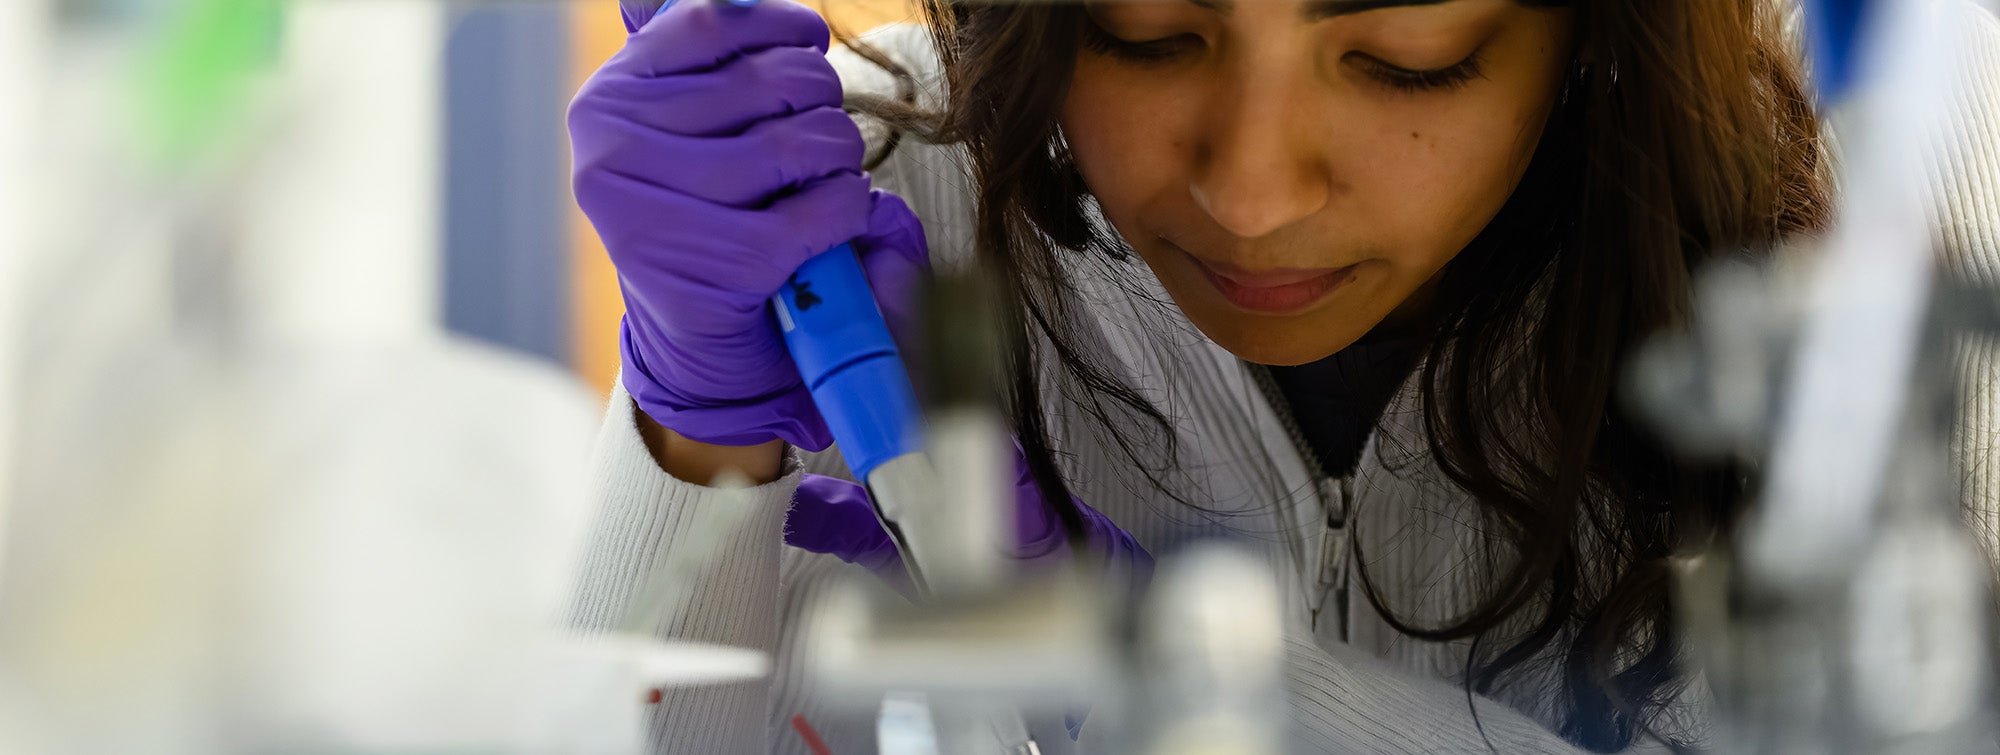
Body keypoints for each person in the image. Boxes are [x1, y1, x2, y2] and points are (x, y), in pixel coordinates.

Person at [563, 0, 2000, 751]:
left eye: (1404, 56)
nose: (1251, 194)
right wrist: (693, 442)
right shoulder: (862, 197)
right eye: (1145, 34)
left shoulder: (1894, 190)